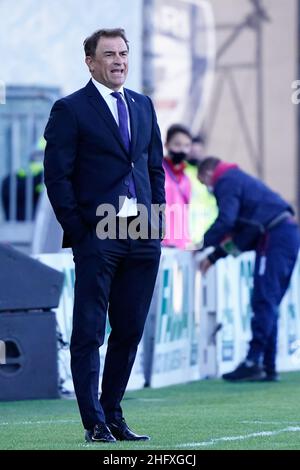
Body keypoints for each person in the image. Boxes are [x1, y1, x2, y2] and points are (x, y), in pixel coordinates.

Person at [44, 28, 165, 443]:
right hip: (98, 232)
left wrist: (158, 220)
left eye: (124, 54)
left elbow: (153, 168)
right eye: (109, 54)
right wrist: (78, 230)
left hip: (142, 232)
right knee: (91, 331)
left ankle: (113, 413)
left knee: (129, 328)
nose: (119, 61)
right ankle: (93, 421)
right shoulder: (70, 109)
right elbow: (57, 175)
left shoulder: (143, 105)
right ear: (90, 61)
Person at [198, 157, 300, 382]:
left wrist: (202, 245)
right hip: (283, 235)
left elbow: (227, 222)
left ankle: (254, 361)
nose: (208, 189)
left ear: (208, 174)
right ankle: (267, 365)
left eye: (204, 183)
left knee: (264, 300)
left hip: (275, 238)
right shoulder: (239, 180)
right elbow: (246, 234)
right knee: (269, 300)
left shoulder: (226, 180)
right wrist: (216, 256)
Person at [162, 124, 192, 249]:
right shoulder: (158, 170)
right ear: (167, 145)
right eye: (177, 144)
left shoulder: (186, 177)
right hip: (161, 241)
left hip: (181, 242)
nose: (182, 150)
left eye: (186, 146)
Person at [185, 135, 218, 246]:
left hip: (206, 230)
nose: (196, 154)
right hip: (188, 233)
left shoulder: (210, 173)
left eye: (199, 151)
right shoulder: (182, 172)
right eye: (193, 151)